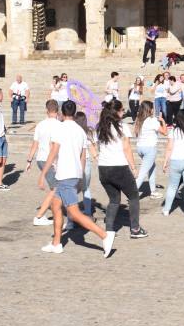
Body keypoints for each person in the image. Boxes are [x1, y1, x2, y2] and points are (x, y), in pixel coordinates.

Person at [36, 100, 114, 257]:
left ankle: (104, 235)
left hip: (65, 175)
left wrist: (43, 173)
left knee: (74, 213)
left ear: (62, 113)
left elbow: (53, 152)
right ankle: (56, 243)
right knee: (56, 206)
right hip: (73, 174)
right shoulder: (80, 131)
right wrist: (80, 176)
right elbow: (83, 157)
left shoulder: (60, 128)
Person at [95, 100, 146, 239]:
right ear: (116, 112)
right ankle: (135, 229)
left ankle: (109, 230)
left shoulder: (100, 127)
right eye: (122, 110)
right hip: (119, 167)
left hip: (103, 168)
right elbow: (127, 148)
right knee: (134, 196)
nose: (124, 112)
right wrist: (134, 168)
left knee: (114, 199)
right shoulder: (122, 127)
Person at [133, 100, 161, 198]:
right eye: (152, 108)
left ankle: (153, 191)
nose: (154, 109)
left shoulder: (139, 119)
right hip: (149, 148)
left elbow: (135, 133)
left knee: (152, 168)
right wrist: (163, 122)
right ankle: (132, 194)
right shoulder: (152, 120)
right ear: (149, 110)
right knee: (142, 173)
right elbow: (165, 132)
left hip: (140, 147)